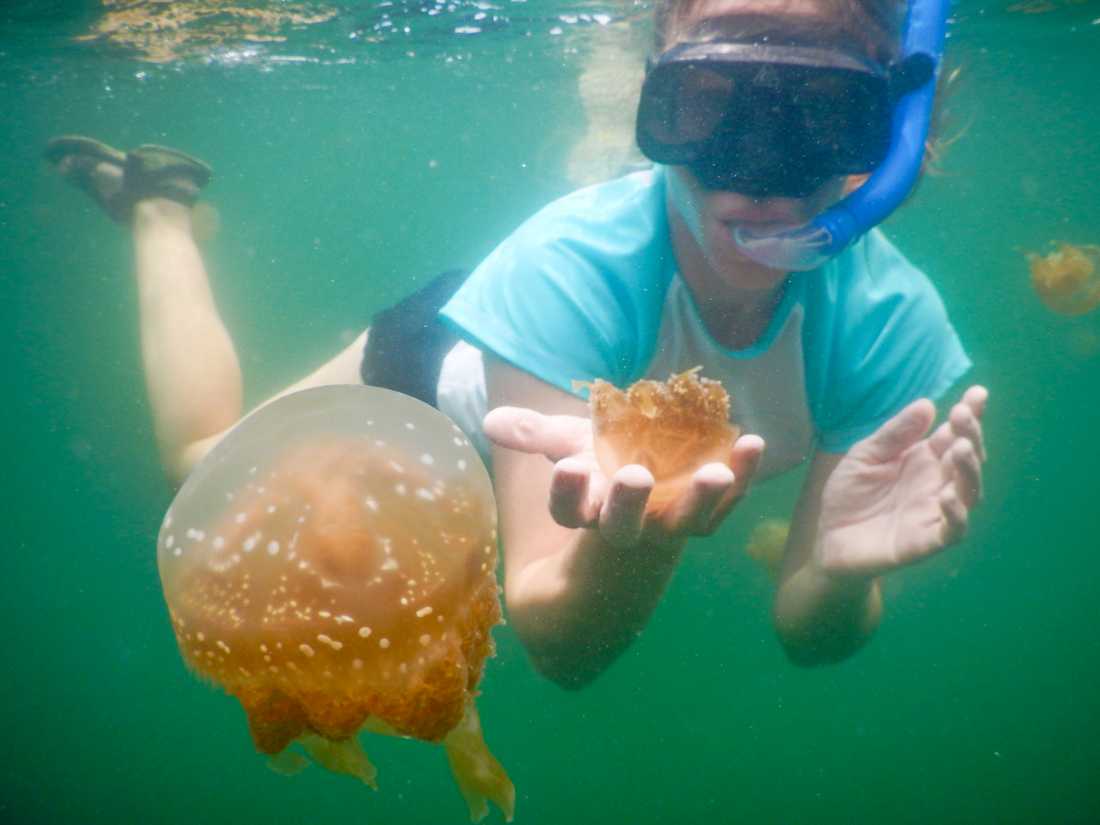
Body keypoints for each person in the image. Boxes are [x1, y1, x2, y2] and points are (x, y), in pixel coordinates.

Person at [46, 0, 988, 691]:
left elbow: (806, 632)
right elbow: (556, 638)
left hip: (571, 327)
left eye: (822, 115)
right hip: (444, 368)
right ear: (652, 95)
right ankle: (159, 211)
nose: (758, 173)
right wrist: (637, 546)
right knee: (200, 468)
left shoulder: (888, 325)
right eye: (707, 106)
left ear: (891, 134)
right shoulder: (562, 267)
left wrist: (839, 575)